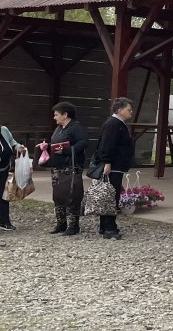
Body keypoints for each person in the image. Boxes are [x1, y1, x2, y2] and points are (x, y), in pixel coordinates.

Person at [96, 97, 136, 241]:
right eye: (128, 109)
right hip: (113, 165)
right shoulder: (113, 123)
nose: (131, 112)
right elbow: (107, 144)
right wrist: (107, 162)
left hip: (118, 164)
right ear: (120, 110)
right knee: (111, 196)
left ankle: (104, 225)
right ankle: (109, 227)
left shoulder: (119, 123)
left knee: (109, 195)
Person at [47, 101, 88, 236]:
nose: (55, 117)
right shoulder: (59, 128)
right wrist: (47, 146)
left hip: (71, 166)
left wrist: (66, 150)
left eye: (57, 114)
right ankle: (61, 222)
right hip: (57, 166)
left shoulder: (76, 127)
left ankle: (73, 224)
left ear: (65, 115)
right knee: (58, 194)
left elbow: (83, 143)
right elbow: (55, 143)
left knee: (71, 193)